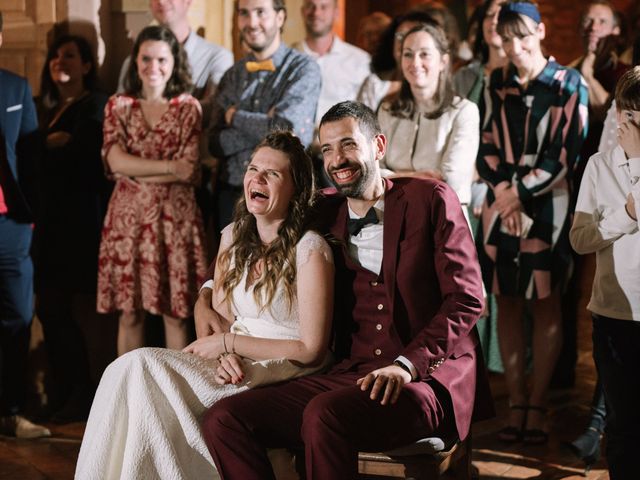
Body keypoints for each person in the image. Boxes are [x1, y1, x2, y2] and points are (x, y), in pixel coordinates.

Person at [201, 101, 493, 478]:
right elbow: (248, 236)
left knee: (324, 415)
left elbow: (467, 299)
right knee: (224, 419)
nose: (337, 159)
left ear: (379, 146)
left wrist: (406, 366)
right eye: (327, 149)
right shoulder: (321, 208)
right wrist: (206, 293)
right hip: (346, 372)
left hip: (424, 377)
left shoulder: (431, 199)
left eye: (348, 145)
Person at [75, 131, 334, 480]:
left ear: (297, 189)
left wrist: (229, 345)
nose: (256, 179)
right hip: (235, 358)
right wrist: (225, 354)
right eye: (253, 168)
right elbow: (224, 319)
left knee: (142, 366)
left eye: (272, 174)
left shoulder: (311, 249)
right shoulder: (233, 236)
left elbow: (312, 349)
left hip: (283, 364)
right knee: (125, 373)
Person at [476, 0, 588, 444]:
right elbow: (485, 143)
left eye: (524, 37)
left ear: (541, 33)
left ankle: (538, 405)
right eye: (508, 40)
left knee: (546, 302)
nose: (516, 47)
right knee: (506, 300)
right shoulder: (496, 81)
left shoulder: (566, 83)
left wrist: (516, 194)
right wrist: (504, 192)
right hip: (501, 203)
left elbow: (565, 153)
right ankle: (516, 403)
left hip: (547, 206)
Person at [97, 25, 207, 355]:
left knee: (176, 314)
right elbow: (114, 160)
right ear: (135, 61)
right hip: (127, 222)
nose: (153, 67)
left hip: (175, 221)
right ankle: (128, 401)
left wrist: (134, 169)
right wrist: (169, 168)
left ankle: (178, 403)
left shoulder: (188, 107)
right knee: (130, 314)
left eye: (162, 59)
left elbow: (189, 168)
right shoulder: (118, 106)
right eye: (146, 58)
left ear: (175, 62)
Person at [32, 34, 111, 423]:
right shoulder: (45, 108)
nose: (60, 62)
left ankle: (83, 393)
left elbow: (85, 160)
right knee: (50, 309)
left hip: (79, 223)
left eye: (69, 56)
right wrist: (49, 145)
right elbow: (30, 159)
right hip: (46, 222)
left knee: (63, 308)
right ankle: (65, 389)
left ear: (86, 65)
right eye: (54, 57)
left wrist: (52, 148)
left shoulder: (94, 105)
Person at [569, 66, 640, 480]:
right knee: (623, 424)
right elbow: (580, 240)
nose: (626, 125)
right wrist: (626, 214)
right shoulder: (600, 166)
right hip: (614, 316)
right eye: (622, 114)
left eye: (636, 117)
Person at [210, 0, 320, 232]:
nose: (251, 22)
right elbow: (214, 142)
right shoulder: (232, 75)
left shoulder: (303, 69)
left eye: (261, 12)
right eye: (244, 13)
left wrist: (234, 117)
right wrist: (268, 126)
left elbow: (290, 132)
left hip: (283, 196)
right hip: (231, 195)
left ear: (280, 18)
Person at [0, 10, 50, 440]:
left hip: (11, 225)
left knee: (18, 315)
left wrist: (30, 219)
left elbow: (31, 157)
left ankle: (11, 412)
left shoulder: (16, 88)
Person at [378, 23, 480, 224]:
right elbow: (372, 172)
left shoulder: (464, 111)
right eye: (408, 54)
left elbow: (451, 183)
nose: (415, 62)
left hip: (443, 219)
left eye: (424, 54)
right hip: (393, 217)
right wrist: (416, 176)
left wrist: (393, 177)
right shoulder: (387, 109)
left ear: (443, 61)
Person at [117, 0, 233, 102]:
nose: (161, 1)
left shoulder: (218, 57)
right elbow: (120, 110)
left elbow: (216, 108)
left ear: (188, 1)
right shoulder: (133, 61)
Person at [292, 0, 370, 124]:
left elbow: (367, 117)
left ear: (336, 12)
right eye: (311, 6)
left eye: (324, 7)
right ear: (302, 11)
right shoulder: (286, 60)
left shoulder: (361, 61)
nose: (316, 12)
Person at [357, 10, 438, 112]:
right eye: (400, 36)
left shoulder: (433, 87)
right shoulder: (375, 82)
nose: (404, 42)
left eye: (411, 36)